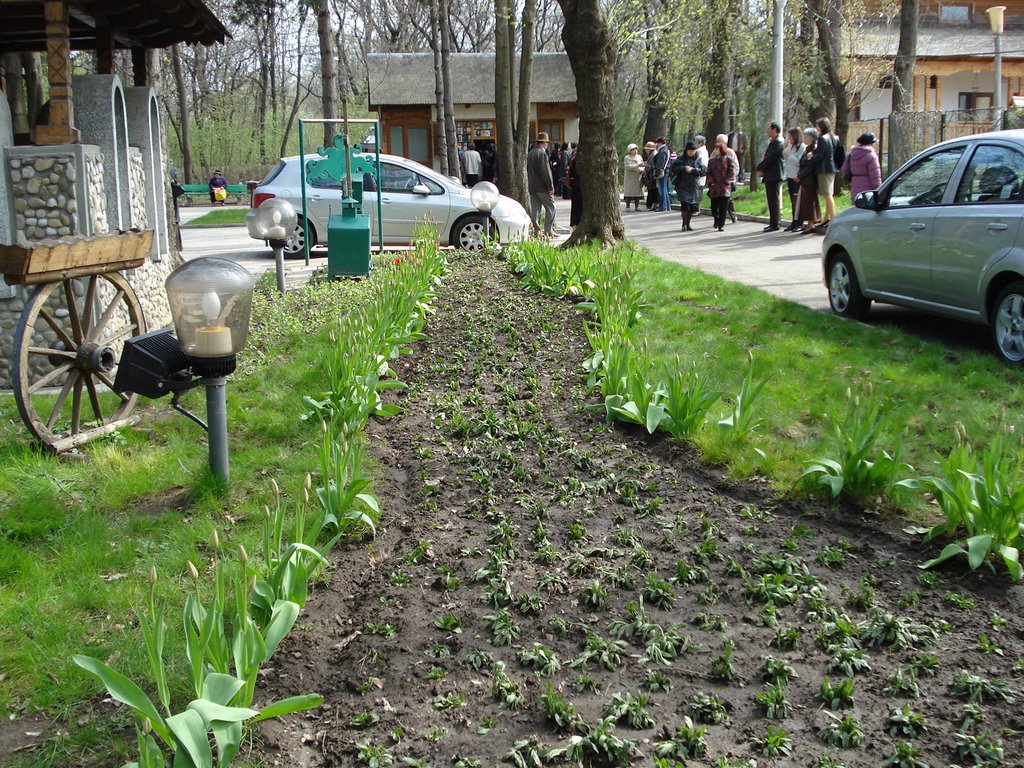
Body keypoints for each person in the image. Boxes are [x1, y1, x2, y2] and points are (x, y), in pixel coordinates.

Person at [670, 141, 706, 231]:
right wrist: (683, 168)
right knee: (685, 205)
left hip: (693, 186)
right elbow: (673, 169)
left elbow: (703, 171)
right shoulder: (680, 159)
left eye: (693, 150)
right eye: (690, 150)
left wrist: (693, 170)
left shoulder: (698, 160)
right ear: (686, 150)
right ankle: (684, 224)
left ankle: (688, 223)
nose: (691, 152)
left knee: (691, 207)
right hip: (682, 186)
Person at [706, 134, 738, 232]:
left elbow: (732, 171)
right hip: (715, 188)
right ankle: (716, 219)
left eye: (717, 149)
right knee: (714, 207)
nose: (715, 151)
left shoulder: (728, 159)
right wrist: (711, 182)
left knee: (724, 207)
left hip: (724, 188)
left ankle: (721, 225)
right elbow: (709, 172)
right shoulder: (712, 161)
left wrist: (727, 181)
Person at [756, 122, 785, 232]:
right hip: (770, 175)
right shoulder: (772, 142)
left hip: (775, 175)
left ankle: (776, 223)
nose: (767, 130)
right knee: (771, 200)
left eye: (768, 128)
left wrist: (759, 167)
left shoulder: (778, 142)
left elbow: (770, 158)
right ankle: (772, 222)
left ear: (774, 129)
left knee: (774, 200)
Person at [527, 132, 556, 237]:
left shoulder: (530, 153)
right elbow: (546, 172)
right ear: (544, 143)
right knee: (551, 207)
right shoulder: (542, 154)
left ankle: (537, 230)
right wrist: (550, 186)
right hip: (542, 187)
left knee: (535, 209)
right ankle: (548, 230)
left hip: (532, 186)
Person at [841, 131, 883, 201]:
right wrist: (879, 190)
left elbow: (844, 169)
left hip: (855, 185)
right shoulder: (871, 156)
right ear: (871, 143)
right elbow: (875, 176)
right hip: (868, 188)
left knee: (856, 207)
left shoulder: (851, 154)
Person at [814, 117, 838, 227]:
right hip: (832, 168)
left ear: (821, 126)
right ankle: (827, 218)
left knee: (827, 194)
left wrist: (811, 156)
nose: (816, 128)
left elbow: (819, 155)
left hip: (824, 169)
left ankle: (833, 218)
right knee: (829, 193)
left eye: (817, 125)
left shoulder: (822, 138)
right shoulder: (835, 137)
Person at [795, 127, 820, 235]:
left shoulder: (813, 148)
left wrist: (800, 175)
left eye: (806, 136)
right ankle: (810, 224)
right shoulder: (807, 148)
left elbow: (810, 166)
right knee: (807, 202)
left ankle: (811, 224)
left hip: (809, 180)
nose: (804, 138)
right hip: (805, 180)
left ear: (811, 138)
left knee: (810, 202)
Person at [782, 127, 805, 231]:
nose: (789, 138)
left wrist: (789, 155)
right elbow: (786, 159)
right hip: (790, 175)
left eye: (791, 136)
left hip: (797, 176)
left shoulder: (802, 147)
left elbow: (798, 161)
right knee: (792, 200)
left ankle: (800, 222)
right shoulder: (790, 146)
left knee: (798, 200)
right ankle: (794, 221)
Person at [623, 143, 645, 211]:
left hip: (638, 177)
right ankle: (627, 206)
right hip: (630, 178)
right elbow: (627, 167)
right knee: (629, 192)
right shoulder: (627, 157)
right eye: (633, 150)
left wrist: (642, 169)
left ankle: (637, 206)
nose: (635, 151)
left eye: (636, 149)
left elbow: (642, 165)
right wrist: (637, 166)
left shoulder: (639, 157)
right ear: (629, 151)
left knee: (637, 193)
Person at [652, 136, 671, 211]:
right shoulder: (666, 150)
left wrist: (656, 173)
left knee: (662, 190)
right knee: (665, 189)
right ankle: (667, 206)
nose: (656, 145)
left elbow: (660, 164)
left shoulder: (662, 151)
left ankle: (663, 207)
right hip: (666, 171)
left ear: (660, 143)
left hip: (661, 172)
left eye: (656, 143)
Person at [642, 141, 660, 211]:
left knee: (654, 190)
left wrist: (645, 165)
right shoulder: (652, 154)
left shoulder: (654, 155)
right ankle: (653, 204)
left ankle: (656, 204)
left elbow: (652, 166)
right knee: (653, 190)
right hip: (651, 175)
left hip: (652, 175)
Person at [568, 146, 583, 230]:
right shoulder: (587, 161)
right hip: (584, 188)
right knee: (582, 207)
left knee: (575, 207)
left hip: (575, 186)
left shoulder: (574, 160)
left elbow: (570, 174)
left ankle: (574, 227)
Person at [694, 135, 709, 215]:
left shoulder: (700, 151)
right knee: (697, 191)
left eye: (696, 142)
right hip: (700, 173)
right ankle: (696, 209)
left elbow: (701, 163)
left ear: (700, 143)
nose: (694, 143)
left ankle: (697, 209)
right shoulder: (702, 151)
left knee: (698, 192)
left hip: (700, 173)